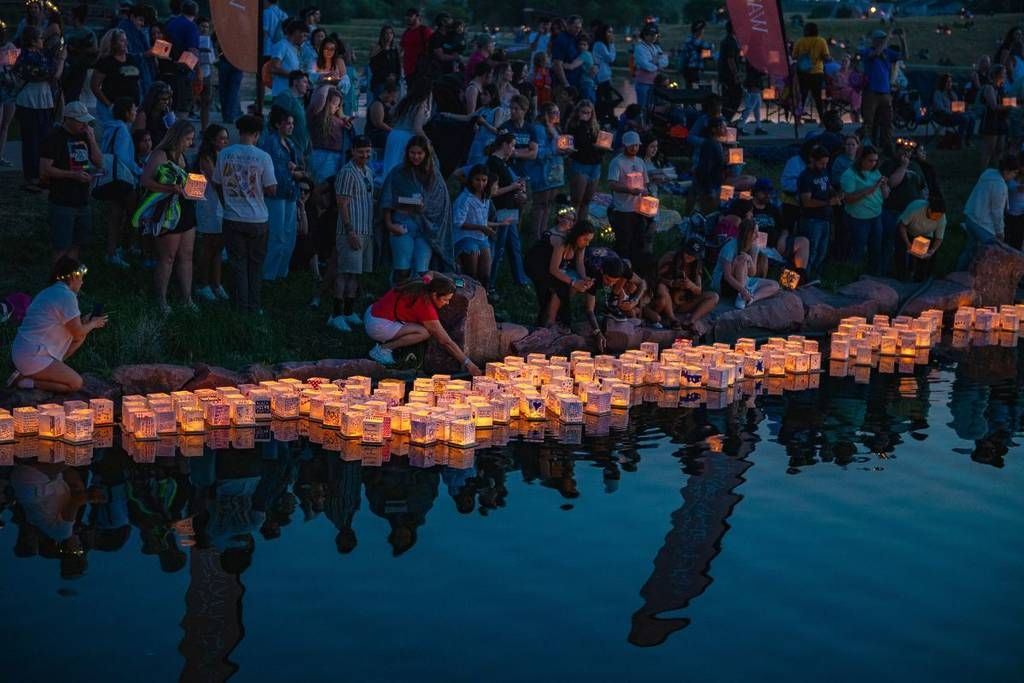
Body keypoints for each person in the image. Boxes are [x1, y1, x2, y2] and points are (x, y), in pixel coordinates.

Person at [7, 258, 107, 393]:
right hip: (33, 355)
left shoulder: (50, 291)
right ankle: (25, 381)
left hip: (24, 351)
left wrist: (85, 322)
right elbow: (77, 332)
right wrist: (94, 323)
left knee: (80, 338)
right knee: (75, 383)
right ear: (73, 277)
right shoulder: (66, 296)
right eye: (81, 278)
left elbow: (74, 330)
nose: (82, 282)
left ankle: (49, 371)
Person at [213, 114, 277, 314]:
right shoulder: (263, 157)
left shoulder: (224, 154)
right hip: (258, 218)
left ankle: (240, 306)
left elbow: (217, 182)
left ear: (239, 132)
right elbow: (271, 188)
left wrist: (226, 202)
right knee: (255, 265)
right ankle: (254, 306)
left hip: (232, 217)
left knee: (238, 264)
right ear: (257, 134)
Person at [364, 273, 481, 375]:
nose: (447, 303)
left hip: (372, 311)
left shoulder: (426, 284)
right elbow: (446, 341)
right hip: (377, 325)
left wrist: (451, 282)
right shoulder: (426, 307)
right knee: (424, 332)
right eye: (445, 299)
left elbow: (432, 272)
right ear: (435, 295)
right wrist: (468, 364)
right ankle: (383, 349)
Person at [137, 120, 197, 313]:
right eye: (188, 139)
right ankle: (161, 300)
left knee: (187, 256)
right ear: (178, 137)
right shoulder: (161, 154)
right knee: (167, 257)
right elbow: (145, 181)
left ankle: (187, 299)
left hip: (185, 209)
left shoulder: (183, 155)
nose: (190, 143)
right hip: (167, 211)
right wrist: (169, 188)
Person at [379, 135, 453, 282]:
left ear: (426, 154)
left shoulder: (434, 175)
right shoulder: (398, 173)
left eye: (420, 153)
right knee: (402, 270)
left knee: (422, 272)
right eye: (412, 152)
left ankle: (417, 297)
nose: (416, 156)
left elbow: (441, 203)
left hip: (426, 229)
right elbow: (386, 199)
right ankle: (397, 294)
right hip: (402, 224)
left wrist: (424, 207)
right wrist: (389, 224)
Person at [39, 101, 102, 265]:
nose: (85, 125)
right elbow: (45, 169)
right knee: (61, 247)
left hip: (82, 200)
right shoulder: (54, 138)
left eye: (86, 121)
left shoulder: (84, 135)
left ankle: (70, 278)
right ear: (68, 119)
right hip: (62, 201)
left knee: (76, 244)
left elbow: (98, 162)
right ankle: (57, 278)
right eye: (81, 121)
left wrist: (92, 139)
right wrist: (73, 175)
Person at [329, 135, 375, 332]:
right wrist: (349, 231)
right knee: (344, 272)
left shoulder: (368, 172)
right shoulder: (347, 172)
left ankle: (349, 311)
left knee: (356, 273)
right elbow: (342, 204)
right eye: (361, 152)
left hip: (365, 230)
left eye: (367, 152)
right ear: (353, 151)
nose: (365, 155)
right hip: (351, 231)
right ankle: (336, 314)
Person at [15, 25, 65, 192]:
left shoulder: (40, 55)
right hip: (30, 103)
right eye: (40, 38)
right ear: (32, 41)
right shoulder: (27, 57)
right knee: (32, 142)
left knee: (44, 140)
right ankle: (32, 177)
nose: (43, 40)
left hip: (41, 102)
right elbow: (53, 74)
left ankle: (42, 175)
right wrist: (62, 60)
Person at [525, 216, 594, 328]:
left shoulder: (581, 245)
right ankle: (549, 322)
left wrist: (584, 278)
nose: (587, 243)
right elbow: (553, 269)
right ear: (577, 235)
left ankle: (555, 318)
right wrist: (573, 282)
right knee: (558, 287)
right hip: (537, 264)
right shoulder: (561, 241)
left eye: (589, 240)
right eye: (585, 239)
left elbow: (579, 263)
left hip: (551, 265)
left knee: (566, 284)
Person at [260, 106, 303, 282]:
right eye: (288, 123)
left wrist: (296, 171)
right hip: (276, 194)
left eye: (292, 123)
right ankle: (268, 275)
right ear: (278, 124)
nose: (291, 126)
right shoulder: (270, 143)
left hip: (290, 192)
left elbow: (295, 167)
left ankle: (281, 273)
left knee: (289, 235)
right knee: (276, 235)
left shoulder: (290, 143)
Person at [99, 97, 142, 270]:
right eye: (134, 109)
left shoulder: (111, 127)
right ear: (126, 112)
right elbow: (123, 157)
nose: (136, 112)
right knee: (124, 215)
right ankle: (117, 250)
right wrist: (139, 170)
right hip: (122, 178)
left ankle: (114, 249)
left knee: (115, 215)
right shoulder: (123, 130)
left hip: (111, 176)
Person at [486, 132, 530, 297]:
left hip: (510, 209)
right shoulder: (493, 163)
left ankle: (521, 280)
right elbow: (493, 191)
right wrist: (513, 187)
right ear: (504, 145)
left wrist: (519, 187)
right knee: (498, 249)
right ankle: (489, 285)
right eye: (511, 145)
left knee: (514, 245)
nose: (513, 149)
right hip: (501, 210)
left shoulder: (504, 163)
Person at [959, 155, 1019, 270]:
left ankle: (959, 272)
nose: (1014, 176)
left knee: (969, 250)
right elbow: (997, 213)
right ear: (1006, 171)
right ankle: (980, 276)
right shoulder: (999, 186)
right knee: (991, 253)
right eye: (1014, 173)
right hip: (982, 224)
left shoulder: (988, 173)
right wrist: (1000, 232)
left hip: (971, 216)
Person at [453, 164, 506, 291]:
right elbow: (458, 222)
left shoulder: (485, 198)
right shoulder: (465, 198)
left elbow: (481, 220)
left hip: (481, 238)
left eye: (484, 180)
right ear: (471, 179)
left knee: (485, 276)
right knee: (470, 275)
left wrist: (492, 227)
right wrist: (481, 228)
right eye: (477, 179)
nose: (481, 184)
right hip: (465, 237)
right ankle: (462, 295)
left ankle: (483, 298)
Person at [606, 130, 652, 269]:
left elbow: (645, 183)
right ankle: (620, 269)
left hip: (639, 210)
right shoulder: (617, 162)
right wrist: (629, 190)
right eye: (632, 145)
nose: (634, 148)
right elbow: (612, 184)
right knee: (623, 242)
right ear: (625, 145)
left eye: (636, 145)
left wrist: (646, 195)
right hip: (623, 210)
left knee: (638, 241)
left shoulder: (640, 162)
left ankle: (636, 269)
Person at [525, 101, 570, 242]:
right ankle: (535, 236)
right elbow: (537, 152)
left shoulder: (555, 128)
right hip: (542, 172)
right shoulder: (538, 129)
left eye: (558, 112)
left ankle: (544, 233)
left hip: (555, 172)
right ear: (546, 114)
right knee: (540, 204)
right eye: (554, 112)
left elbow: (559, 148)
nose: (557, 114)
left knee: (549, 204)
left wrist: (565, 152)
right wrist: (554, 150)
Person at [840, 145, 889, 274]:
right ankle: (852, 274)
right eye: (870, 160)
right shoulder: (850, 174)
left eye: (875, 161)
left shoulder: (875, 171)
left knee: (875, 247)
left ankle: (874, 274)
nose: (873, 164)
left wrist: (884, 186)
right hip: (859, 218)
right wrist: (870, 189)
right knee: (858, 248)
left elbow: (885, 195)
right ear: (861, 159)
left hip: (876, 215)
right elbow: (847, 199)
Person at [653, 238, 718, 333]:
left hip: (684, 302)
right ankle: (673, 319)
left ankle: (690, 321)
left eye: (693, 255)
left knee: (714, 297)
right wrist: (672, 283)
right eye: (688, 253)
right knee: (661, 287)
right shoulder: (670, 257)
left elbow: (698, 290)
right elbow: (655, 277)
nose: (690, 256)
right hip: (667, 301)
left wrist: (691, 286)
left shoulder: (696, 265)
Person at [193, 124, 228, 302]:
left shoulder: (221, 155)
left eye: (226, 139)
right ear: (212, 139)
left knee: (218, 247)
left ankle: (217, 283)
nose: (225, 142)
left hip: (219, 206)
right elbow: (217, 181)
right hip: (208, 205)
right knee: (208, 247)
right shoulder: (205, 157)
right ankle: (203, 283)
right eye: (222, 138)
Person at [713, 218, 780, 309]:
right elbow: (727, 276)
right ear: (747, 234)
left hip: (745, 281)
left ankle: (752, 299)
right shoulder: (729, 247)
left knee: (775, 285)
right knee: (742, 260)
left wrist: (750, 259)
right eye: (754, 233)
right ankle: (741, 297)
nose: (757, 236)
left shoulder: (754, 247)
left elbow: (752, 273)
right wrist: (743, 290)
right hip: (724, 284)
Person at [859, 28, 906, 155]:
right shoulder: (867, 51)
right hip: (871, 91)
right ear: (875, 40)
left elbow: (904, 56)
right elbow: (875, 53)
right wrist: (889, 36)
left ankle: (887, 147)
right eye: (881, 39)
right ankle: (866, 147)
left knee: (888, 121)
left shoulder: (888, 53)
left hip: (885, 93)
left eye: (883, 40)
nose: (883, 42)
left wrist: (902, 39)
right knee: (869, 121)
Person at [798, 144, 842, 278]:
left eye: (826, 163)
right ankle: (806, 277)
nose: (824, 166)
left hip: (825, 218)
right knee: (812, 250)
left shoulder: (823, 172)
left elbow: (828, 187)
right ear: (813, 160)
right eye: (822, 163)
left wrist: (836, 194)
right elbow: (806, 201)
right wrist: (828, 202)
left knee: (822, 251)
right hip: (812, 219)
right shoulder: (805, 177)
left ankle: (816, 276)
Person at [752, 177, 810, 274]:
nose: (767, 195)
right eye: (764, 193)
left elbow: (784, 227)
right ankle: (781, 275)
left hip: (776, 245)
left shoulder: (773, 209)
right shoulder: (748, 207)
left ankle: (800, 275)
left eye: (769, 193)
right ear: (756, 192)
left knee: (803, 242)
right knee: (774, 262)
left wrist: (783, 238)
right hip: (757, 245)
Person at [90, 28, 141, 130]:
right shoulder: (105, 62)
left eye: (126, 40)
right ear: (113, 44)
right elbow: (94, 86)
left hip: (130, 109)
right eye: (122, 40)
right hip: (111, 109)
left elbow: (136, 82)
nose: (125, 43)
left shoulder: (131, 59)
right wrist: (109, 105)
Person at [382, 79, 432, 177]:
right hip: (406, 137)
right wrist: (427, 141)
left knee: (391, 164)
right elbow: (417, 128)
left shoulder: (405, 100)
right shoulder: (420, 105)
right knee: (401, 166)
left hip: (394, 134)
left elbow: (391, 112)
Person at [161, 0, 201, 121]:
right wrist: (198, 72)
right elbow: (192, 51)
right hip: (182, 72)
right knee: (182, 108)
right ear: (196, 13)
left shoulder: (169, 23)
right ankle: (179, 131)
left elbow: (162, 47)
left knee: (169, 106)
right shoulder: (191, 26)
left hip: (167, 69)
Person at [566, 99, 604, 222]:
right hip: (580, 164)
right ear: (578, 112)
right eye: (583, 112)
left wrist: (602, 147)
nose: (586, 115)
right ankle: (570, 225)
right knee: (576, 200)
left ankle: (581, 226)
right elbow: (579, 143)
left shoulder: (595, 127)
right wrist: (582, 123)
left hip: (595, 165)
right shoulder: (574, 126)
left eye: (588, 113)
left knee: (587, 200)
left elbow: (600, 147)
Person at [894, 194, 946, 282]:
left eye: (939, 216)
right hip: (907, 230)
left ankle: (920, 278)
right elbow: (902, 225)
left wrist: (932, 251)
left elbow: (939, 238)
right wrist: (908, 243)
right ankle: (901, 276)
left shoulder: (942, 218)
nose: (937, 218)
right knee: (901, 252)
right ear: (929, 210)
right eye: (936, 216)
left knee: (925, 255)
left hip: (924, 234)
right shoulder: (916, 208)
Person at [307, 84, 351, 183]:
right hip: (324, 156)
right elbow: (320, 97)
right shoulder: (317, 115)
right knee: (323, 185)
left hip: (339, 156)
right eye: (335, 103)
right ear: (326, 102)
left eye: (339, 105)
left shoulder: (339, 118)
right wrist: (330, 85)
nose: (337, 107)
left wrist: (348, 126)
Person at [792, 22, 830, 123]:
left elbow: (794, 56)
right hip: (817, 72)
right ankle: (822, 121)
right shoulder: (821, 41)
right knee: (818, 98)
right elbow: (826, 57)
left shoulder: (800, 41)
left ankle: (797, 120)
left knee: (802, 97)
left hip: (803, 72)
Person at [272, 70, 311, 163]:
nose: (307, 86)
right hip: (290, 151)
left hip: (300, 150)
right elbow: (275, 122)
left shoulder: (298, 100)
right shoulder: (285, 97)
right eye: (304, 82)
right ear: (295, 82)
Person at [979, 64, 1011, 169]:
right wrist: (1010, 106)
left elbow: (1005, 102)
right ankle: (983, 173)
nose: (1005, 75)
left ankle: (997, 171)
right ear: (997, 75)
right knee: (989, 150)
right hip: (991, 121)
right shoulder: (989, 88)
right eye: (1004, 73)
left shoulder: (1002, 88)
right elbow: (994, 106)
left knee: (1000, 149)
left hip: (1001, 121)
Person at [931, 73, 975, 148]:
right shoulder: (938, 93)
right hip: (943, 116)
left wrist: (963, 107)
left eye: (951, 81)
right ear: (943, 83)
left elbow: (956, 106)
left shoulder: (951, 93)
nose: (950, 83)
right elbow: (939, 108)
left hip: (954, 114)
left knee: (972, 116)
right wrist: (952, 112)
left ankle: (968, 140)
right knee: (965, 118)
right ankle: (959, 141)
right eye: (948, 81)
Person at [633, 24, 667, 114]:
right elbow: (646, 66)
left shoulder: (656, 47)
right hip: (643, 83)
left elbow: (665, 61)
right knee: (643, 108)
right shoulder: (639, 48)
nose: (653, 37)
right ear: (644, 35)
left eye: (655, 35)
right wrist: (657, 65)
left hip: (656, 83)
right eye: (651, 35)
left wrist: (654, 62)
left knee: (654, 109)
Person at [268, 19, 307, 97]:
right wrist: (295, 76)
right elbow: (273, 68)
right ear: (296, 32)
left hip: (293, 94)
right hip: (282, 94)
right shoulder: (281, 46)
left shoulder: (294, 48)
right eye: (304, 35)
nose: (305, 39)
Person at [592, 24, 620, 127]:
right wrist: (612, 44)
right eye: (609, 32)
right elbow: (610, 58)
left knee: (607, 100)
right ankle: (607, 121)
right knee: (606, 101)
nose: (611, 34)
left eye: (612, 32)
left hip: (605, 76)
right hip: (601, 77)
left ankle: (607, 120)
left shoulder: (602, 44)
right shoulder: (599, 44)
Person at [551, 15, 583, 93]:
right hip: (564, 86)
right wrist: (566, 85)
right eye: (576, 27)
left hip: (575, 83)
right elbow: (557, 64)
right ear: (568, 26)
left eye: (579, 28)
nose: (578, 30)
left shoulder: (575, 37)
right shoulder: (561, 40)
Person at [717, 21, 742, 121]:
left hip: (724, 74)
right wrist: (736, 74)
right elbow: (730, 59)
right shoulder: (731, 42)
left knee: (728, 98)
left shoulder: (726, 40)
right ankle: (727, 118)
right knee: (736, 97)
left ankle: (726, 118)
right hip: (729, 75)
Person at [400, 8, 432, 81]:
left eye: (410, 16)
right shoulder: (406, 33)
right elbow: (401, 50)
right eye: (407, 16)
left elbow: (431, 48)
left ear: (417, 17)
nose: (408, 18)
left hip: (422, 70)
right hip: (408, 70)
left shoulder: (424, 31)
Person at [369, 25, 401, 97]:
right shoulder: (377, 50)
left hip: (393, 83)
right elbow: (374, 67)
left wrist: (395, 77)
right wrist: (386, 77)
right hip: (380, 82)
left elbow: (398, 67)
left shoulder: (394, 50)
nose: (389, 35)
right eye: (386, 33)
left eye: (391, 33)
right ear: (382, 35)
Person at [681, 20, 710, 89]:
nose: (703, 31)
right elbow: (706, 57)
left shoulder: (688, 40)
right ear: (699, 30)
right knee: (695, 89)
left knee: (690, 88)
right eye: (702, 29)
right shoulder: (702, 43)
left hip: (690, 69)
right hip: (693, 69)